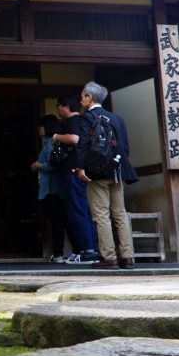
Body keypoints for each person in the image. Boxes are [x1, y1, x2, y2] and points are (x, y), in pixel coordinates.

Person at [74, 81, 139, 270]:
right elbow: (125, 147)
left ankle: (108, 257)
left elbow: (83, 145)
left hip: (97, 173)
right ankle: (128, 257)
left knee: (101, 215)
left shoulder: (86, 118)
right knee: (120, 213)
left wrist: (80, 168)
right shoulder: (117, 118)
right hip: (117, 171)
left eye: (83, 96)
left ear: (89, 97)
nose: (81, 99)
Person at [52, 93, 100, 264]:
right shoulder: (84, 121)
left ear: (65, 106)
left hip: (74, 172)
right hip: (82, 172)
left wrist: (56, 137)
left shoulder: (73, 121)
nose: (58, 109)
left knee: (78, 211)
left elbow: (74, 139)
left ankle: (87, 250)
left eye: (59, 105)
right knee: (83, 211)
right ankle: (87, 249)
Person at [31, 114, 72, 263]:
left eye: (40, 126)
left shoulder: (52, 143)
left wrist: (38, 165)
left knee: (57, 222)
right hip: (55, 188)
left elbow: (56, 165)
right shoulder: (49, 142)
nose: (39, 130)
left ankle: (59, 253)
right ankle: (61, 252)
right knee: (60, 222)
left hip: (52, 188)